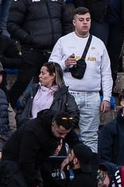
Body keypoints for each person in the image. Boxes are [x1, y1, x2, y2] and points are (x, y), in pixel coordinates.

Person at [49, 8, 114, 150]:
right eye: (81, 20)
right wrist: (64, 63)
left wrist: (107, 97)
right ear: (74, 22)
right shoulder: (63, 41)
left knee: (90, 136)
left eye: (87, 20)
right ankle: (65, 169)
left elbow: (106, 73)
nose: (85, 23)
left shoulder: (99, 44)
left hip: (92, 96)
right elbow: (50, 66)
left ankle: (89, 170)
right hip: (69, 95)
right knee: (64, 133)